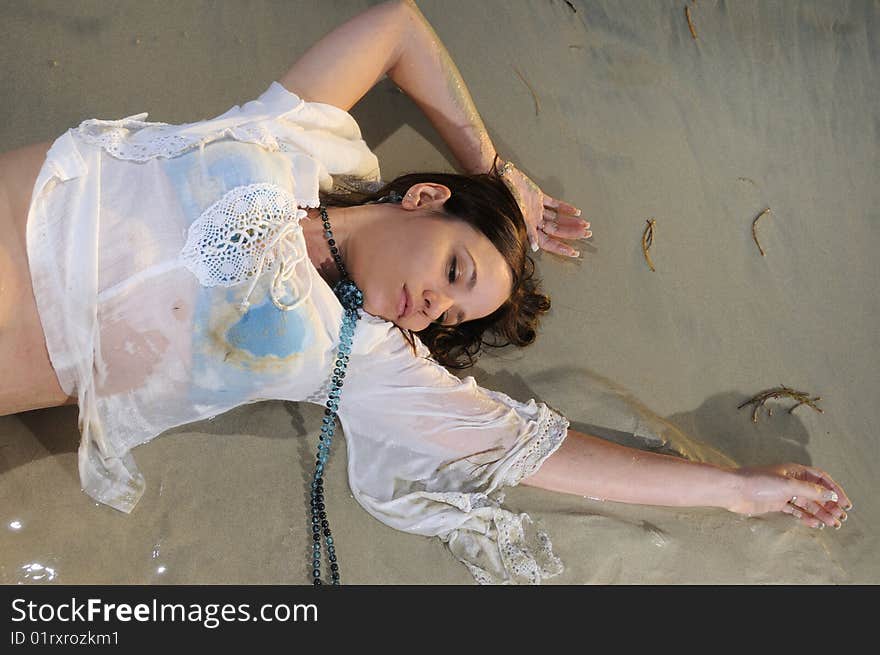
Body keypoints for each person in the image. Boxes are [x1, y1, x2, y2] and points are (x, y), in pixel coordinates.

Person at [0, 0, 850, 585]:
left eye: (451, 313)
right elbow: (399, 26)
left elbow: (544, 451)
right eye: (454, 271)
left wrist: (744, 489)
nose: (432, 309)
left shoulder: (363, 355)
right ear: (423, 198)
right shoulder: (295, 137)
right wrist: (492, 167)